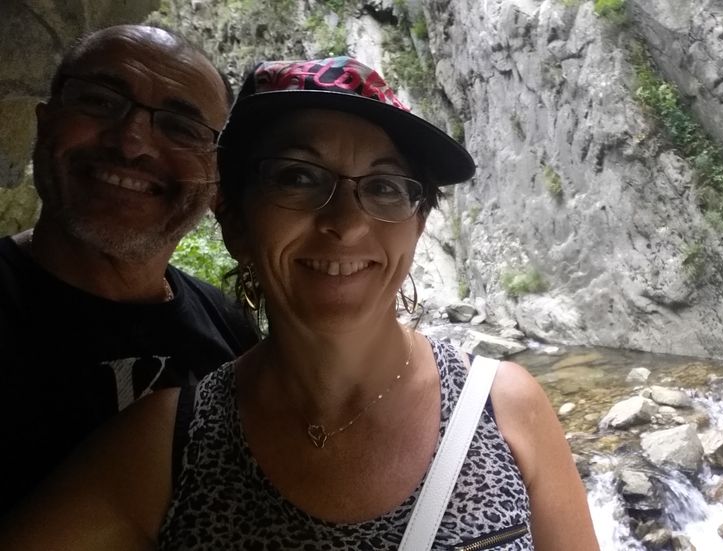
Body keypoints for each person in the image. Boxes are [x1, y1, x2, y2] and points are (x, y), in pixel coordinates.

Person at [0, 56, 600, 549]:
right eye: (297, 177)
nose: (347, 222)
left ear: (417, 225)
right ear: (233, 218)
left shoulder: (505, 406)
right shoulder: (164, 445)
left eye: (385, 186)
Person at [0, 25, 258, 517]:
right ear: (45, 121)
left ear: (216, 176)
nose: (131, 143)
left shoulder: (233, 332)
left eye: (181, 128)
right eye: (99, 101)